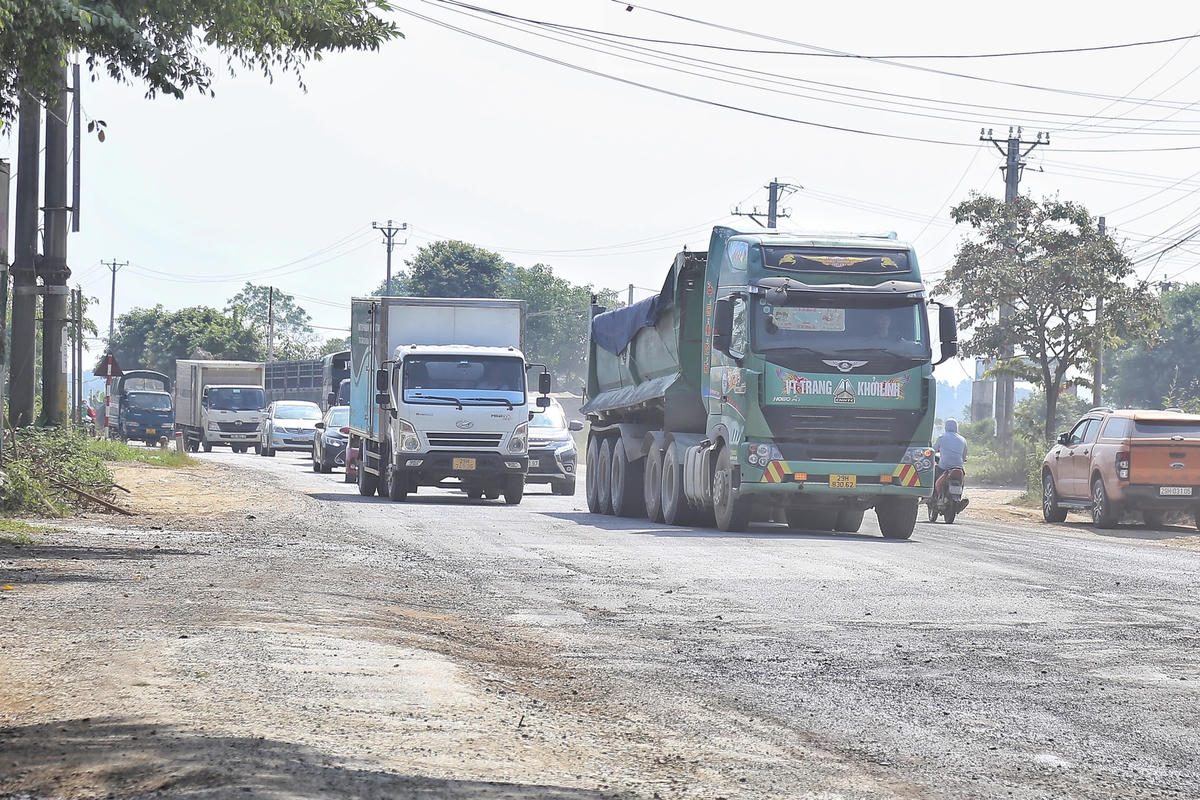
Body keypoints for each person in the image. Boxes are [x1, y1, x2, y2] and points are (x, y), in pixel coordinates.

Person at [933, 418, 969, 510]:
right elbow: (964, 456)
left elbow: (933, 450)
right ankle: (959, 498)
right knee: (961, 481)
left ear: (946, 427)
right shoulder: (963, 439)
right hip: (958, 467)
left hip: (944, 467)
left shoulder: (941, 438)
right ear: (956, 427)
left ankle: (933, 496)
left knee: (934, 474)